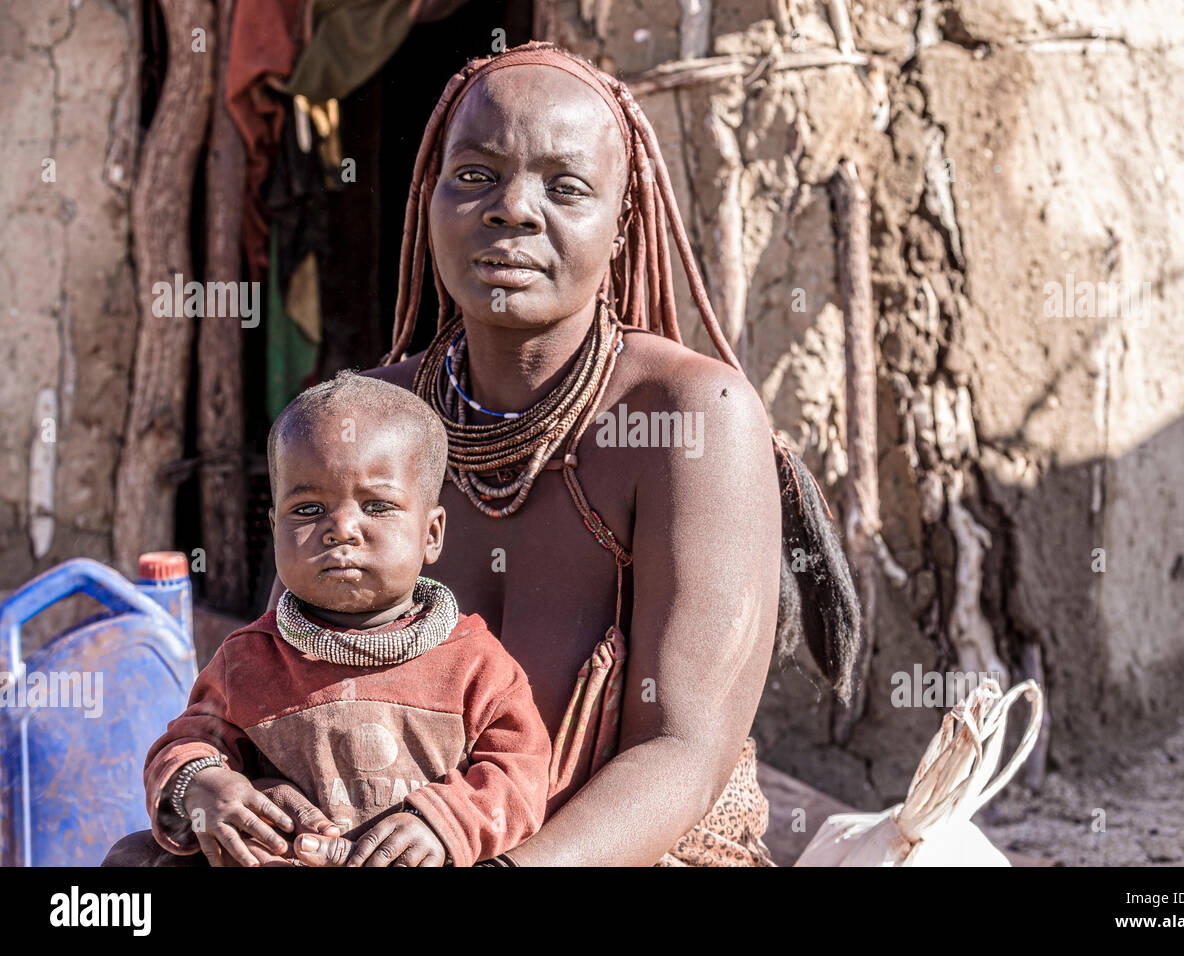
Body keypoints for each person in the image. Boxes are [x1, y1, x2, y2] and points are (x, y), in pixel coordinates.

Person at [105, 40, 861, 867]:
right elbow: (285, 670)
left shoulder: (691, 416)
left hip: (616, 853)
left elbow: (683, 752)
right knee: (133, 869)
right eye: (474, 176)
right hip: (385, 844)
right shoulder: (369, 420)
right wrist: (237, 790)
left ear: (622, 227)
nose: (513, 209)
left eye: (566, 187)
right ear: (428, 202)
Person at [127, 371, 551, 867]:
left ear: (431, 534)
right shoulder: (247, 659)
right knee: (131, 858)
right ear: (275, 527)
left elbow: (519, 774)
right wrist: (204, 785)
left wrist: (444, 823)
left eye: (377, 506)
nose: (342, 530)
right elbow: (186, 744)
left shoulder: (474, 662)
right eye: (308, 509)